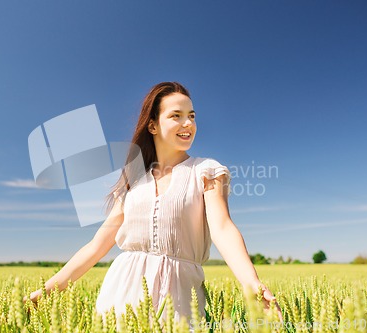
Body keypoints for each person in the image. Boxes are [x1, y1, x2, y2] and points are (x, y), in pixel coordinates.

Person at [25, 82, 281, 324]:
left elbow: (223, 228)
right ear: (153, 126)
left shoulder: (206, 170)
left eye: (192, 116)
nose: (188, 123)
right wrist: (48, 290)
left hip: (181, 299)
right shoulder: (132, 180)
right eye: (176, 115)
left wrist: (252, 284)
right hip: (121, 295)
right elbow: (97, 245)